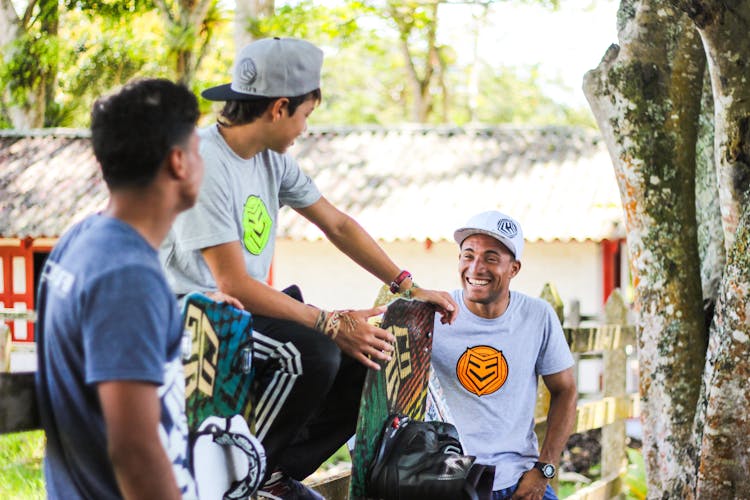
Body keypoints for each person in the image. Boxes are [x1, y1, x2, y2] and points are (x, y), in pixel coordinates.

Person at [159, 36, 458, 499]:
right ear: (279, 108)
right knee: (313, 353)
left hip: (240, 310)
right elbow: (232, 282)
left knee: (366, 357)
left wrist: (406, 286)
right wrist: (328, 322)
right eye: (305, 115)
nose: (304, 128)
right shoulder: (204, 162)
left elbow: (337, 224)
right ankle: (238, 478)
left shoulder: (271, 161)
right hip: (189, 311)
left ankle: (273, 473)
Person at [35, 78, 240, 499]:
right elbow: (135, 450)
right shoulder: (127, 275)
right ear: (179, 163)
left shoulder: (81, 240)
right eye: (199, 152)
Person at [431, 210, 578, 500]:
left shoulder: (537, 316)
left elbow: (566, 390)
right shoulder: (433, 316)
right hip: (453, 474)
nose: (476, 268)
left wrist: (543, 470)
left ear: (514, 269)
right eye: (468, 255)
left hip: (519, 476)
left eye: (491, 258)